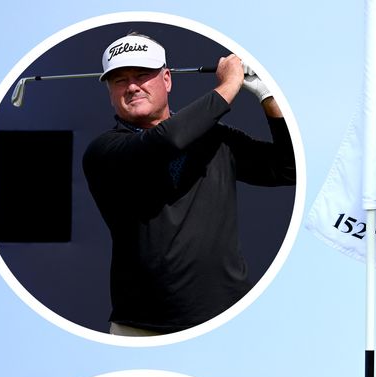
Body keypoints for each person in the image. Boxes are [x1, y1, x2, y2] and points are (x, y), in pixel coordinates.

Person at [82, 32, 297, 335]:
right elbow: (166, 140)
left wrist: (268, 97)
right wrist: (229, 85)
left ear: (167, 79)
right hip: (142, 326)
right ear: (109, 91)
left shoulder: (215, 138)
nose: (132, 86)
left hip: (230, 315)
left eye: (142, 74)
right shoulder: (105, 150)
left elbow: (287, 169)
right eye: (119, 80)